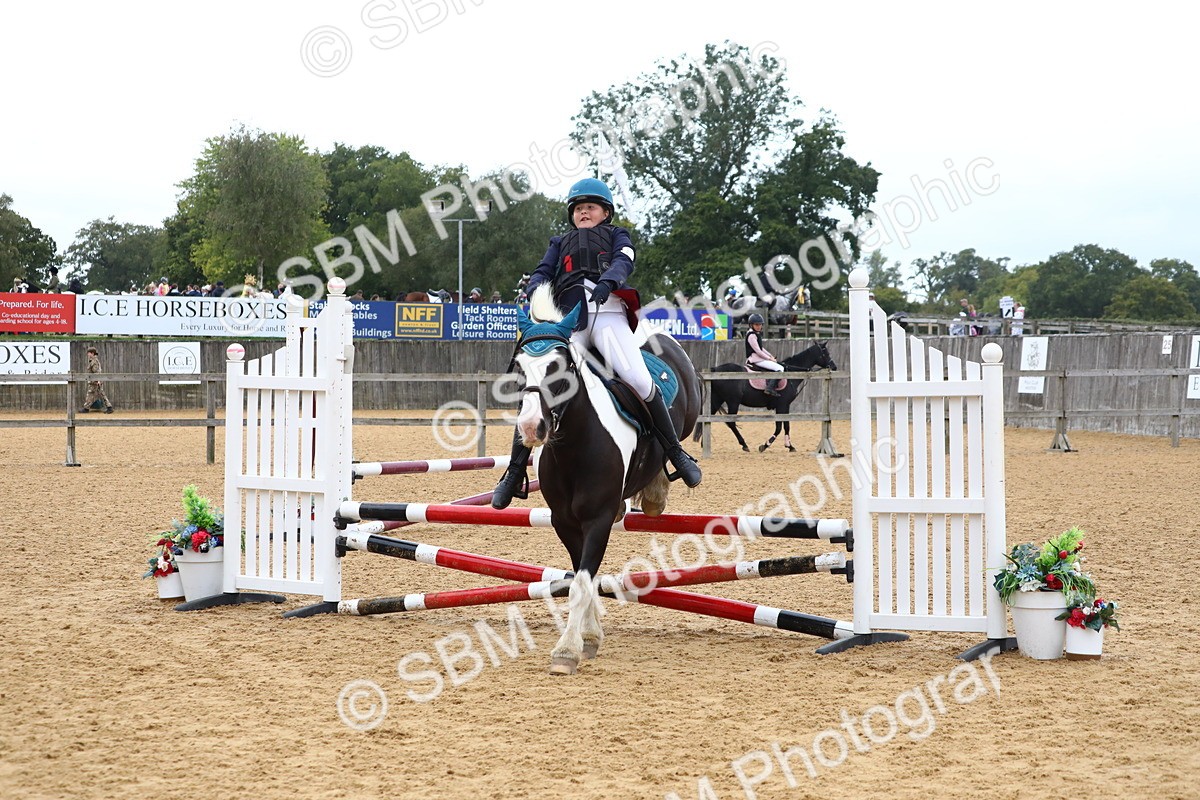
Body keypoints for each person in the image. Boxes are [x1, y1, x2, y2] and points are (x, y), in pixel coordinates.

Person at [490, 178, 702, 509]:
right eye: (578, 208)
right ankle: (514, 471)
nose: (583, 212)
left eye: (590, 207)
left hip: (607, 315)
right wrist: (534, 290)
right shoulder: (559, 242)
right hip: (568, 321)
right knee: (539, 382)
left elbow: (624, 260)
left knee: (638, 379)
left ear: (606, 212)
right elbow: (542, 272)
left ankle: (675, 453)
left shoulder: (618, 235)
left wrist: (609, 281)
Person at [744, 313, 785, 396]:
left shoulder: (755, 333)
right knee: (780, 368)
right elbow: (758, 351)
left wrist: (770, 356)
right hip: (756, 359)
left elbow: (761, 348)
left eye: (760, 324)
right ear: (751, 325)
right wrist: (769, 359)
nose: (759, 326)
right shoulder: (752, 336)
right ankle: (770, 388)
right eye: (756, 325)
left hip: (758, 358)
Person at [80, 346, 114, 414]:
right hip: (94, 381)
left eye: (89, 353)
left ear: (92, 353)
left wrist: (98, 380)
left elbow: (97, 371)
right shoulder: (92, 361)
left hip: (95, 381)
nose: (88, 354)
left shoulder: (94, 361)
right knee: (97, 394)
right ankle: (109, 407)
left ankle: (86, 408)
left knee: (94, 394)